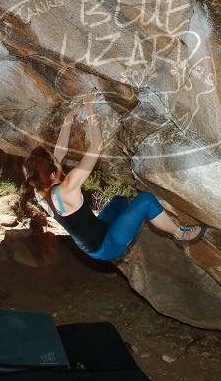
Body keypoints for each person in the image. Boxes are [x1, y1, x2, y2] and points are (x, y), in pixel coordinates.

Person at [19, 92, 205, 262]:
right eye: (55, 161)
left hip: (95, 235)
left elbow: (60, 152)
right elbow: (96, 146)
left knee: (119, 201)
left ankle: (137, 218)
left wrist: (69, 118)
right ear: (52, 173)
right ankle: (179, 233)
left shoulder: (39, 188)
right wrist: (90, 109)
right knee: (146, 200)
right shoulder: (67, 187)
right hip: (106, 247)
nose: (57, 158)